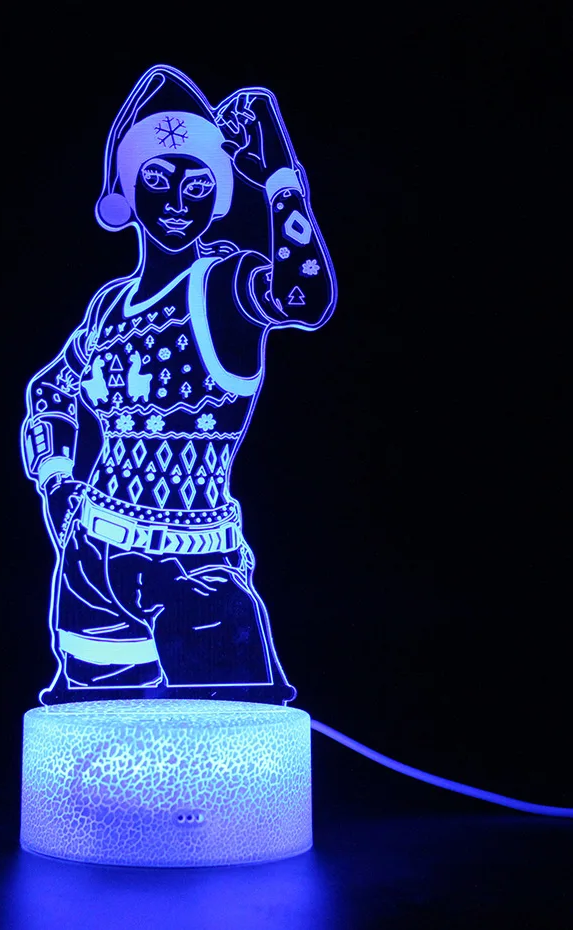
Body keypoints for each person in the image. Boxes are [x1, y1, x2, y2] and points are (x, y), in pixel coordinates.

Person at [21, 65, 337, 705]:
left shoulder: (222, 287)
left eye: (197, 185)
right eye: (157, 179)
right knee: (95, 741)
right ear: (126, 186)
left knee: (234, 746)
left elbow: (304, 294)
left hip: (195, 569)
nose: (175, 202)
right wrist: (56, 483)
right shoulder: (109, 306)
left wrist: (279, 174)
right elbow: (51, 390)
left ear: (217, 196)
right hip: (89, 560)